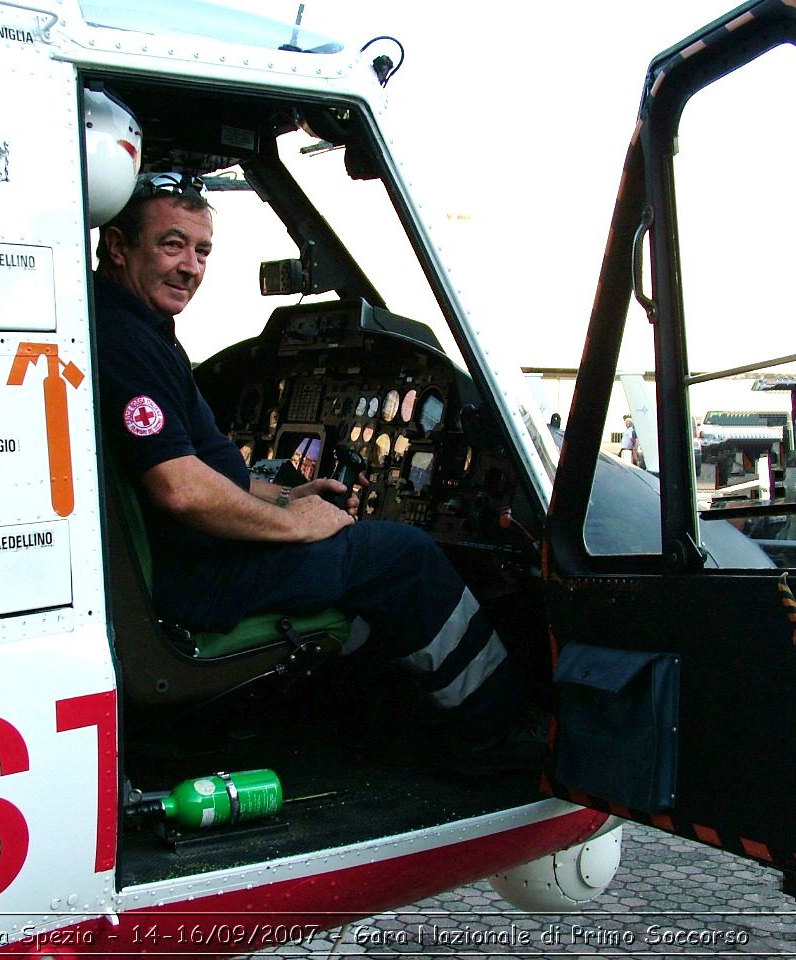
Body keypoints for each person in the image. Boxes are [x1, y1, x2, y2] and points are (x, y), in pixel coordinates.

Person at [93, 173, 539, 770]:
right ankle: (500, 734)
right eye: (172, 246)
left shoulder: (133, 328)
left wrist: (279, 495)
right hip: (201, 578)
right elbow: (178, 489)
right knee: (404, 559)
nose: (190, 268)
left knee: (364, 550)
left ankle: (369, 720)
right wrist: (296, 524)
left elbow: (193, 468)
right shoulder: (127, 342)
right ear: (118, 247)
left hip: (197, 556)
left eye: (202, 252)